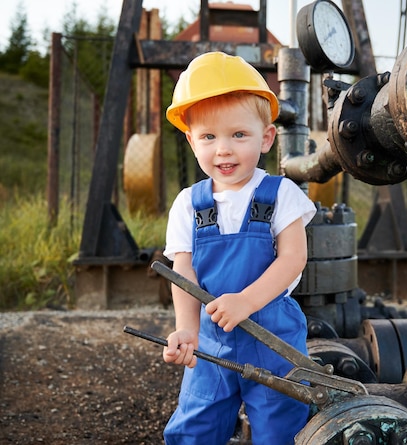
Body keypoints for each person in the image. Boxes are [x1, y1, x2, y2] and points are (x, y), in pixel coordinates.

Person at [161, 51, 317, 444]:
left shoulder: (280, 194)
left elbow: (294, 258)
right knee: (196, 425)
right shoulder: (188, 204)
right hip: (213, 339)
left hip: (274, 338)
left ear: (266, 138)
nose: (223, 150)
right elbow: (183, 272)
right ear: (190, 140)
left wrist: (246, 301)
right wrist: (187, 330)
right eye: (209, 137)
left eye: (238, 135)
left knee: (281, 426)